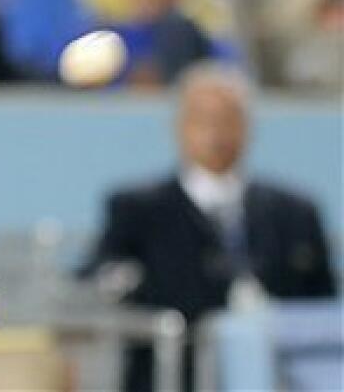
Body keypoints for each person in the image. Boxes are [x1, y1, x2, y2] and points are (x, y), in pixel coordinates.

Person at [83, 63, 337, 392]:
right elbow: (103, 280)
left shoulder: (295, 213)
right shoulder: (138, 210)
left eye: (228, 120)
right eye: (203, 120)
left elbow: (321, 308)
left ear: (247, 127)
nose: (216, 133)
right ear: (179, 127)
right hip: (172, 376)